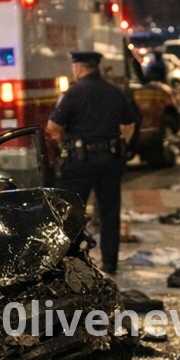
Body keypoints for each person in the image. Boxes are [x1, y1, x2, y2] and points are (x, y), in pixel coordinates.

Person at [46, 50, 137, 276]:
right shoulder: (113, 92)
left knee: (72, 215)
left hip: (79, 163)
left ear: (78, 68)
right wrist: (120, 143)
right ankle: (110, 263)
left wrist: (61, 140)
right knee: (109, 213)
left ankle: (72, 263)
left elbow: (52, 127)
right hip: (109, 159)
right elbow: (130, 123)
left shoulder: (74, 93)